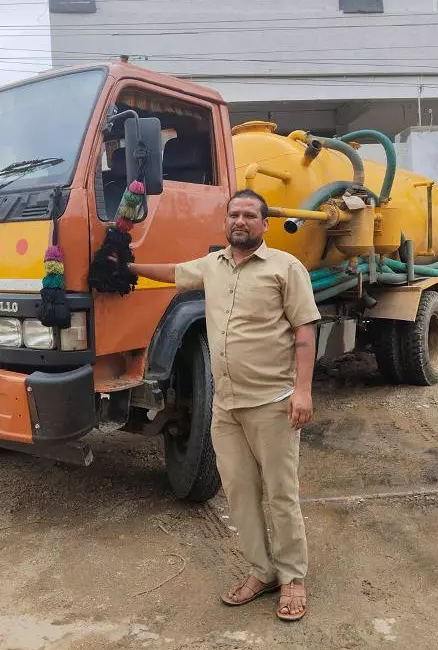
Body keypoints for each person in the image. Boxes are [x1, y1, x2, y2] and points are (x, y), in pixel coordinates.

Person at [128, 189, 320, 621]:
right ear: (226, 221)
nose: (240, 220)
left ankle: (292, 577)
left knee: (281, 493)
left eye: (250, 214)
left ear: (264, 224)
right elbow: (172, 272)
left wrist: (303, 392)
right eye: (234, 213)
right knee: (238, 491)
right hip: (226, 406)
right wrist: (125, 268)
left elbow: (305, 332)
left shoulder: (285, 268)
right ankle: (262, 570)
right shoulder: (211, 267)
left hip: (273, 402)